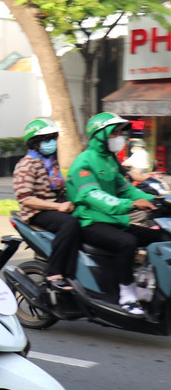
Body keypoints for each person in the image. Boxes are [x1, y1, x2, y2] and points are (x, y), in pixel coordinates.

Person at [66, 112, 165, 315]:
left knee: (160, 236)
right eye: (115, 133)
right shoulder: (83, 162)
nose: (120, 137)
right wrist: (129, 205)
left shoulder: (109, 160)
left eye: (120, 132)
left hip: (114, 220)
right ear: (100, 135)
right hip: (91, 222)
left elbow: (124, 188)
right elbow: (92, 195)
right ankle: (127, 295)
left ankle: (146, 283)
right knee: (126, 242)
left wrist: (154, 200)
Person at [12, 118, 80, 291]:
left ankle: (74, 275)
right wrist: (58, 207)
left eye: (52, 138)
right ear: (34, 143)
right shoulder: (26, 164)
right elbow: (25, 199)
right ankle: (54, 273)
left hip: (54, 207)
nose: (51, 143)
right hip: (36, 212)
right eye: (45, 139)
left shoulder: (51, 163)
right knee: (70, 224)